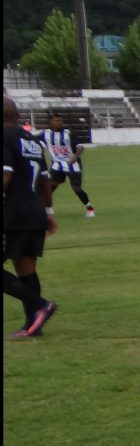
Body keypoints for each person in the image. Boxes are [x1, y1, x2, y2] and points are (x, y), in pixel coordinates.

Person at [3, 96, 58, 339]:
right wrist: (48, 212)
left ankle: (40, 305)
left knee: (23, 267)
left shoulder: (4, 137)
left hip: (13, 213)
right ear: (16, 115)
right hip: (34, 211)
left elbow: (5, 176)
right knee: (25, 268)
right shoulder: (32, 140)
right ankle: (33, 325)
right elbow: (45, 180)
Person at [39, 112, 95, 217]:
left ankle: (90, 208)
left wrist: (75, 156)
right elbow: (34, 141)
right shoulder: (45, 134)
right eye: (56, 120)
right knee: (50, 187)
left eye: (60, 121)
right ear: (51, 122)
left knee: (76, 188)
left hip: (73, 165)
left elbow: (80, 147)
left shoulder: (68, 133)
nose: (59, 123)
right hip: (57, 165)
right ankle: (44, 209)